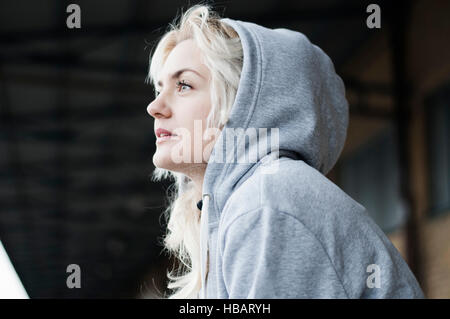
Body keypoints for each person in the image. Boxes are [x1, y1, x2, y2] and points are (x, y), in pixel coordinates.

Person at [146, 4, 425, 299]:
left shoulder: (266, 203)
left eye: (184, 85)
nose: (154, 107)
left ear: (244, 102)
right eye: (160, 88)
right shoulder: (241, 204)